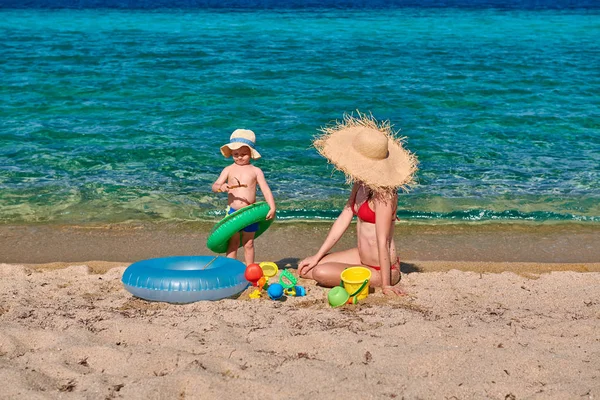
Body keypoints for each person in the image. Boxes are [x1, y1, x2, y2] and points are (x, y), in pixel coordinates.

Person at [298, 113, 418, 296]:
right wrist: (318, 255)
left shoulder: (385, 194)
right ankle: (345, 270)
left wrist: (386, 285)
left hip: (381, 267)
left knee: (319, 273)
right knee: (305, 268)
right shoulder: (360, 183)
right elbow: (345, 216)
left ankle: (380, 280)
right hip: (361, 256)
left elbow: (382, 240)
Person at [212, 129, 276, 265]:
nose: (239, 157)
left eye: (243, 154)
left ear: (251, 154)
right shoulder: (228, 169)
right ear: (231, 154)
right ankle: (230, 268)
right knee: (233, 242)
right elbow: (215, 185)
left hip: (249, 213)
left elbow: (265, 189)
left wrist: (272, 206)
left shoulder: (255, 171)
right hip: (233, 213)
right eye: (236, 154)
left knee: (249, 243)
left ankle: (250, 269)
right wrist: (221, 187)